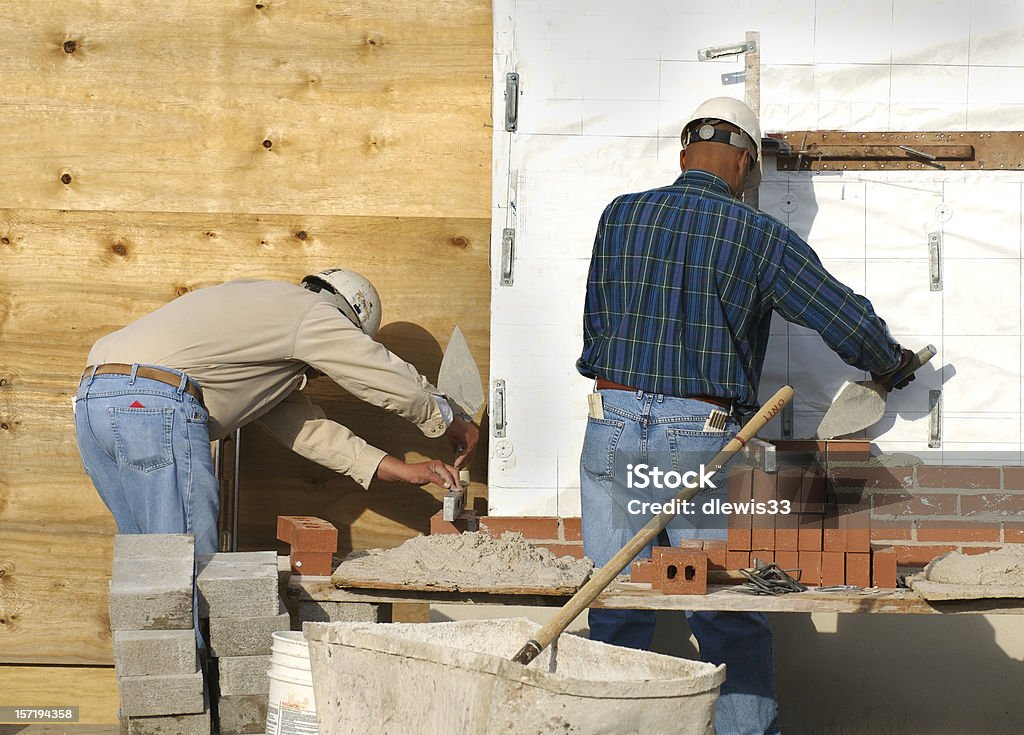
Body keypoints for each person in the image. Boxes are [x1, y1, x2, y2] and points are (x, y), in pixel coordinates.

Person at [576, 97, 914, 735]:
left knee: (615, 605)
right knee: (725, 609)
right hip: (698, 437)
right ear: (745, 165)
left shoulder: (619, 215)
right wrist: (889, 361)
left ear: (683, 159)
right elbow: (835, 312)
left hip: (609, 421)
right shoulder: (756, 236)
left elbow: (596, 322)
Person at [74, 269, 479, 556]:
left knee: (149, 570)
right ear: (345, 321)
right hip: (155, 403)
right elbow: (376, 371)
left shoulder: (261, 330)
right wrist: (446, 416)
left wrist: (402, 470)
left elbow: (307, 431)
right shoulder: (310, 313)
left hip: (95, 401)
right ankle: (196, 678)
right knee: (188, 568)